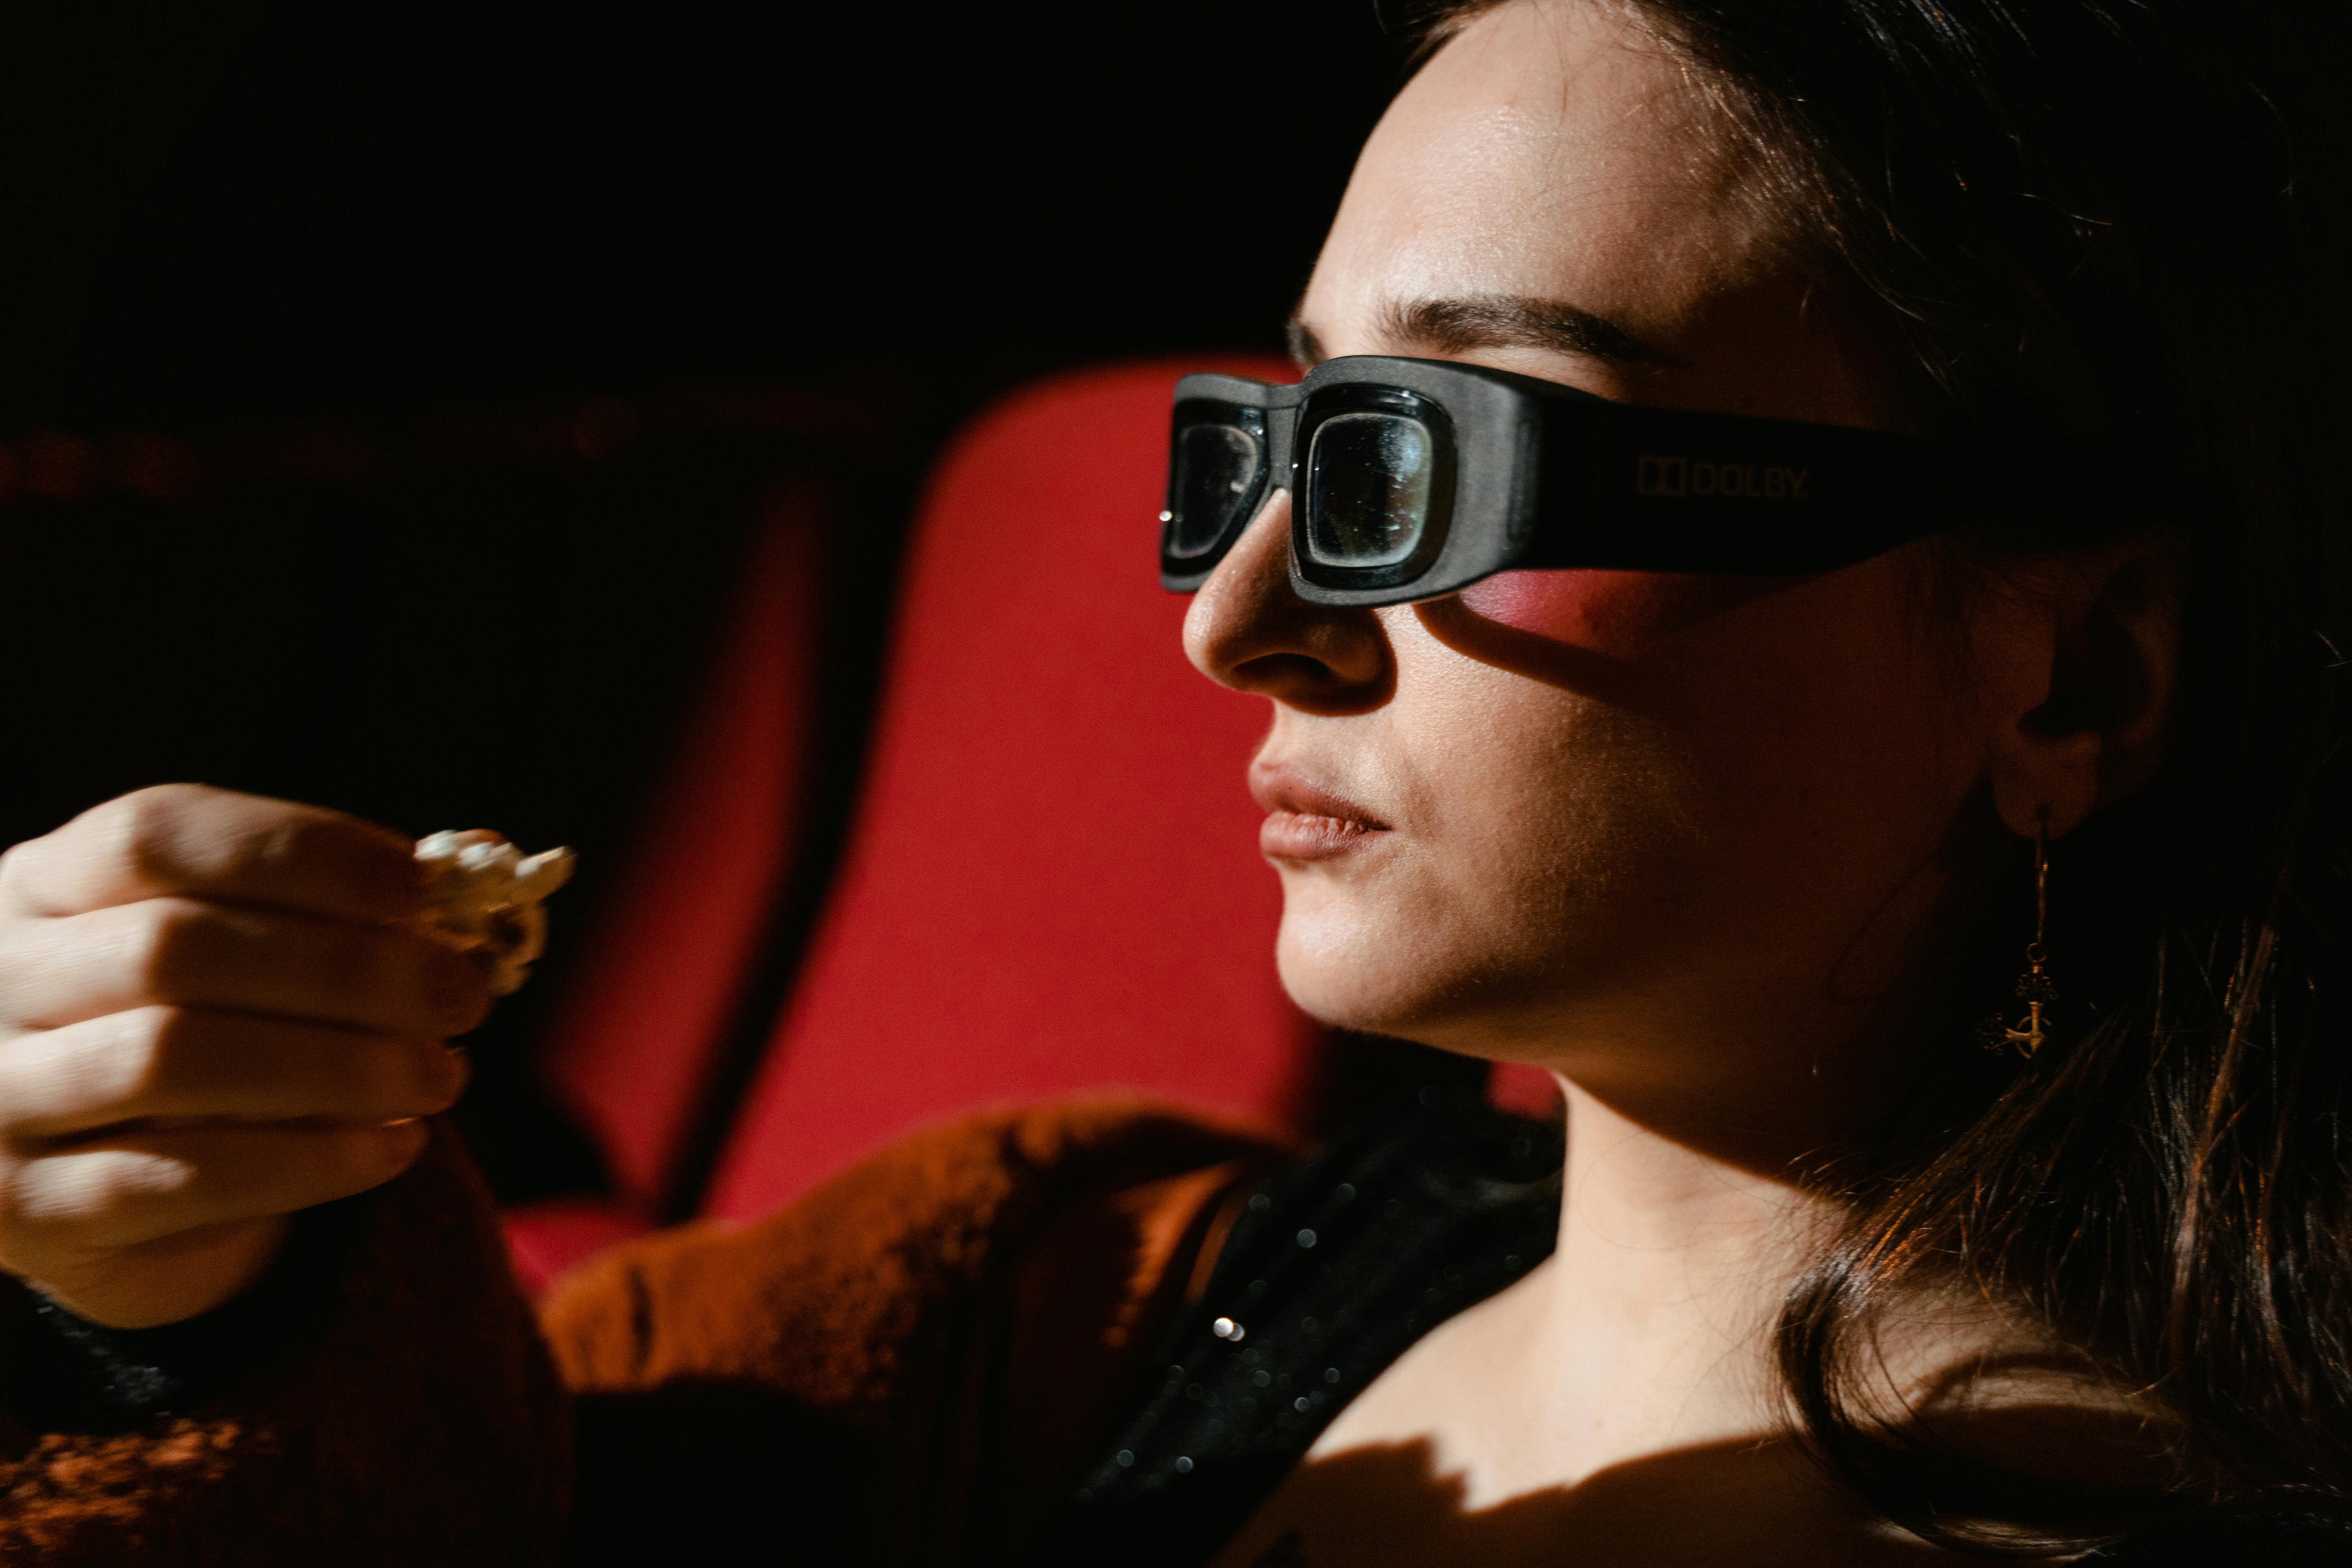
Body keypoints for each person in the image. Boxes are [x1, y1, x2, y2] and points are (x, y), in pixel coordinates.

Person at [1, 0, 2348, 1561]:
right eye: (1267, 440)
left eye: (1425, 454)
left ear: (2073, 674)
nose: (1234, 620)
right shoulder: (1056, 1300)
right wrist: (188, 1289)